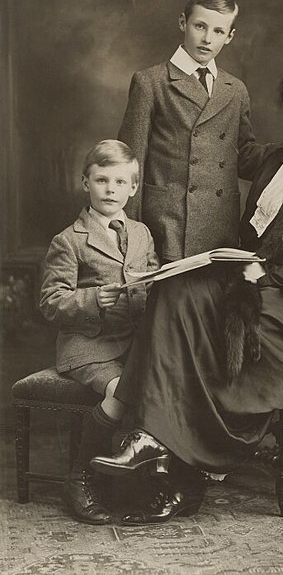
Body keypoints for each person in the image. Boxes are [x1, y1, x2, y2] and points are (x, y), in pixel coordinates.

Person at [90, 56, 283, 525]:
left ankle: (154, 442)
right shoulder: (275, 160)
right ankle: (155, 444)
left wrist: (270, 276)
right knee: (174, 291)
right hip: (258, 279)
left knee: (201, 312)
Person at [39, 140, 159, 524]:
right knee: (120, 389)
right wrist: (91, 299)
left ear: (133, 188)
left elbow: (151, 281)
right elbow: (49, 303)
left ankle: (146, 479)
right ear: (85, 183)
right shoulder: (69, 240)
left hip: (131, 342)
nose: (111, 189)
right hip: (87, 347)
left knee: (164, 383)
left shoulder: (141, 233)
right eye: (102, 180)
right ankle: (81, 478)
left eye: (120, 182)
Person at [118, 0, 267, 263]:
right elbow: (129, 165)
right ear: (183, 22)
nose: (207, 39)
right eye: (200, 26)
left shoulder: (235, 90)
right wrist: (131, 236)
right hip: (167, 228)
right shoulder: (151, 83)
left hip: (220, 231)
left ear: (230, 36)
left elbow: (245, 158)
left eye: (219, 31)